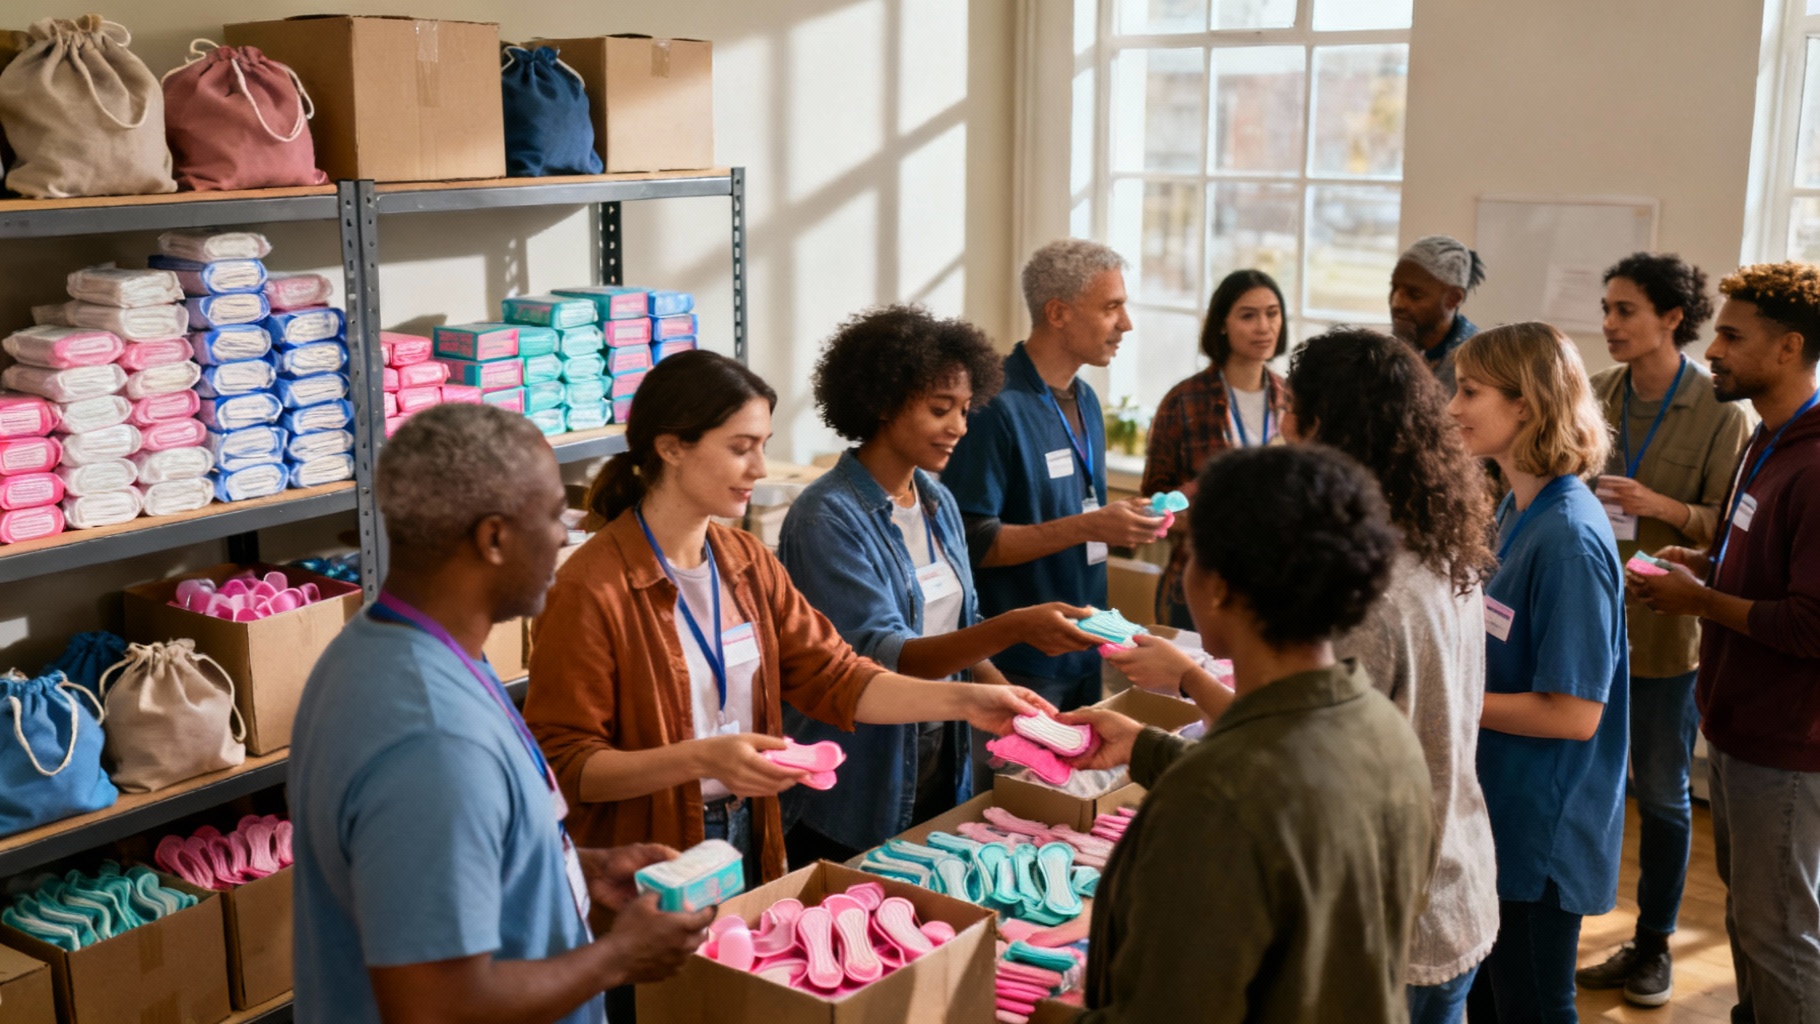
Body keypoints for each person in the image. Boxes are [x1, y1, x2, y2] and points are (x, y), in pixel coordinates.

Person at [522, 350, 1049, 891]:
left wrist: (969, 703)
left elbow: (838, 678)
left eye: (763, 447)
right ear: (671, 447)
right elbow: (566, 765)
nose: (759, 469)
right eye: (740, 448)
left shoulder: (746, 561)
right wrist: (700, 759)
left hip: (751, 826)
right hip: (652, 847)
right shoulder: (591, 587)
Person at [288, 404, 714, 1024]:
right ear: (493, 538)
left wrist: (569, 865)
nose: (565, 536)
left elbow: (448, 856)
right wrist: (619, 957)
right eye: (550, 516)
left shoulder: (391, 650)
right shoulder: (433, 739)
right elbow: (436, 1006)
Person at [1060, 445, 1433, 1023]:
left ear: (1221, 587)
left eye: (1189, 554)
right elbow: (1291, 797)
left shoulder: (1216, 800)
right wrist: (1145, 747)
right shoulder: (1383, 725)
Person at [775, 306, 1100, 864]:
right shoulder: (825, 518)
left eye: (966, 410)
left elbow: (961, 631)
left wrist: (1027, 712)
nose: (960, 427)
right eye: (939, 409)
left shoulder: (937, 500)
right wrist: (1017, 626)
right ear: (881, 403)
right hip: (860, 781)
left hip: (937, 762)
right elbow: (889, 660)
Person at [1628, 261, 1820, 1022]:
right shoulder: (1767, 441)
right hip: (1737, 724)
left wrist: (1701, 600)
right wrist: (1705, 564)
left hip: (1787, 742)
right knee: (1751, 918)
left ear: (1788, 348)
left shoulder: (1814, 464)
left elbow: (1811, 623)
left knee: (1781, 937)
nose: (1715, 349)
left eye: (1734, 337)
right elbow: (1763, 564)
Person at [1575, 253, 1750, 1007]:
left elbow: (1728, 531)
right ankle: (1576, 925)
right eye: (1607, 309)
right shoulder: (1597, 393)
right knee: (1588, 786)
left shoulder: (1720, 411)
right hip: (1585, 624)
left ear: (1671, 318)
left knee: (1666, 795)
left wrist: (1662, 505)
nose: (1609, 325)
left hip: (1662, 638)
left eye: (1624, 311)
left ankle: (1653, 945)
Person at [1448, 323, 1628, 1024]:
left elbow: (1574, 713)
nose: (1452, 407)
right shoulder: (1516, 506)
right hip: (1502, 807)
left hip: (1540, 827)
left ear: (1525, 404)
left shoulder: (1569, 538)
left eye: (1469, 391)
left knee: (1532, 1006)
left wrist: (1452, 699)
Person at [943, 238, 1165, 713]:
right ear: (1058, 313)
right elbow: (972, 542)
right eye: (1112, 308)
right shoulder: (994, 407)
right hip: (1019, 662)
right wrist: (1091, 525)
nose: (1125, 324)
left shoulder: (1085, 398)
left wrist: (1123, 522)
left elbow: (1080, 511)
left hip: (1086, 649)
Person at [1140, 269, 1292, 629]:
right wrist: (1218, 525)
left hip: (1278, 586)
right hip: (1203, 584)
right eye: (1248, 315)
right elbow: (1153, 501)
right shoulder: (1183, 401)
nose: (1263, 327)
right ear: (1222, 324)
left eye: (1272, 313)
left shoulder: (1293, 400)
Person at [1390, 234, 1487, 394]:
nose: (1396, 303)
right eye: (1394, 289)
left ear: (1453, 299)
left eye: (1415, 294)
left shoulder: (1480, 364)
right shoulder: (1392, 351)